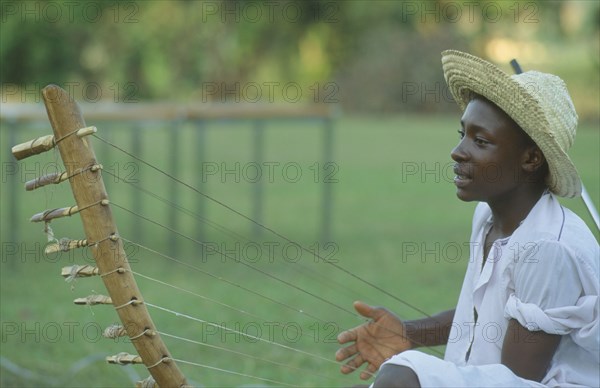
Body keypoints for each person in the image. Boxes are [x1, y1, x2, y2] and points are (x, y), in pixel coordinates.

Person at [335, 50, 599, 387]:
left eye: (481, 141)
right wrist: (409, 333)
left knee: (403, 376)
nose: (458, 152)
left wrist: (410, 374)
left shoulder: (547, 249)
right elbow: (484, 320)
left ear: (531, 158)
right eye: (462, 134)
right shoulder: (488, 216)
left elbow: (517, 380)